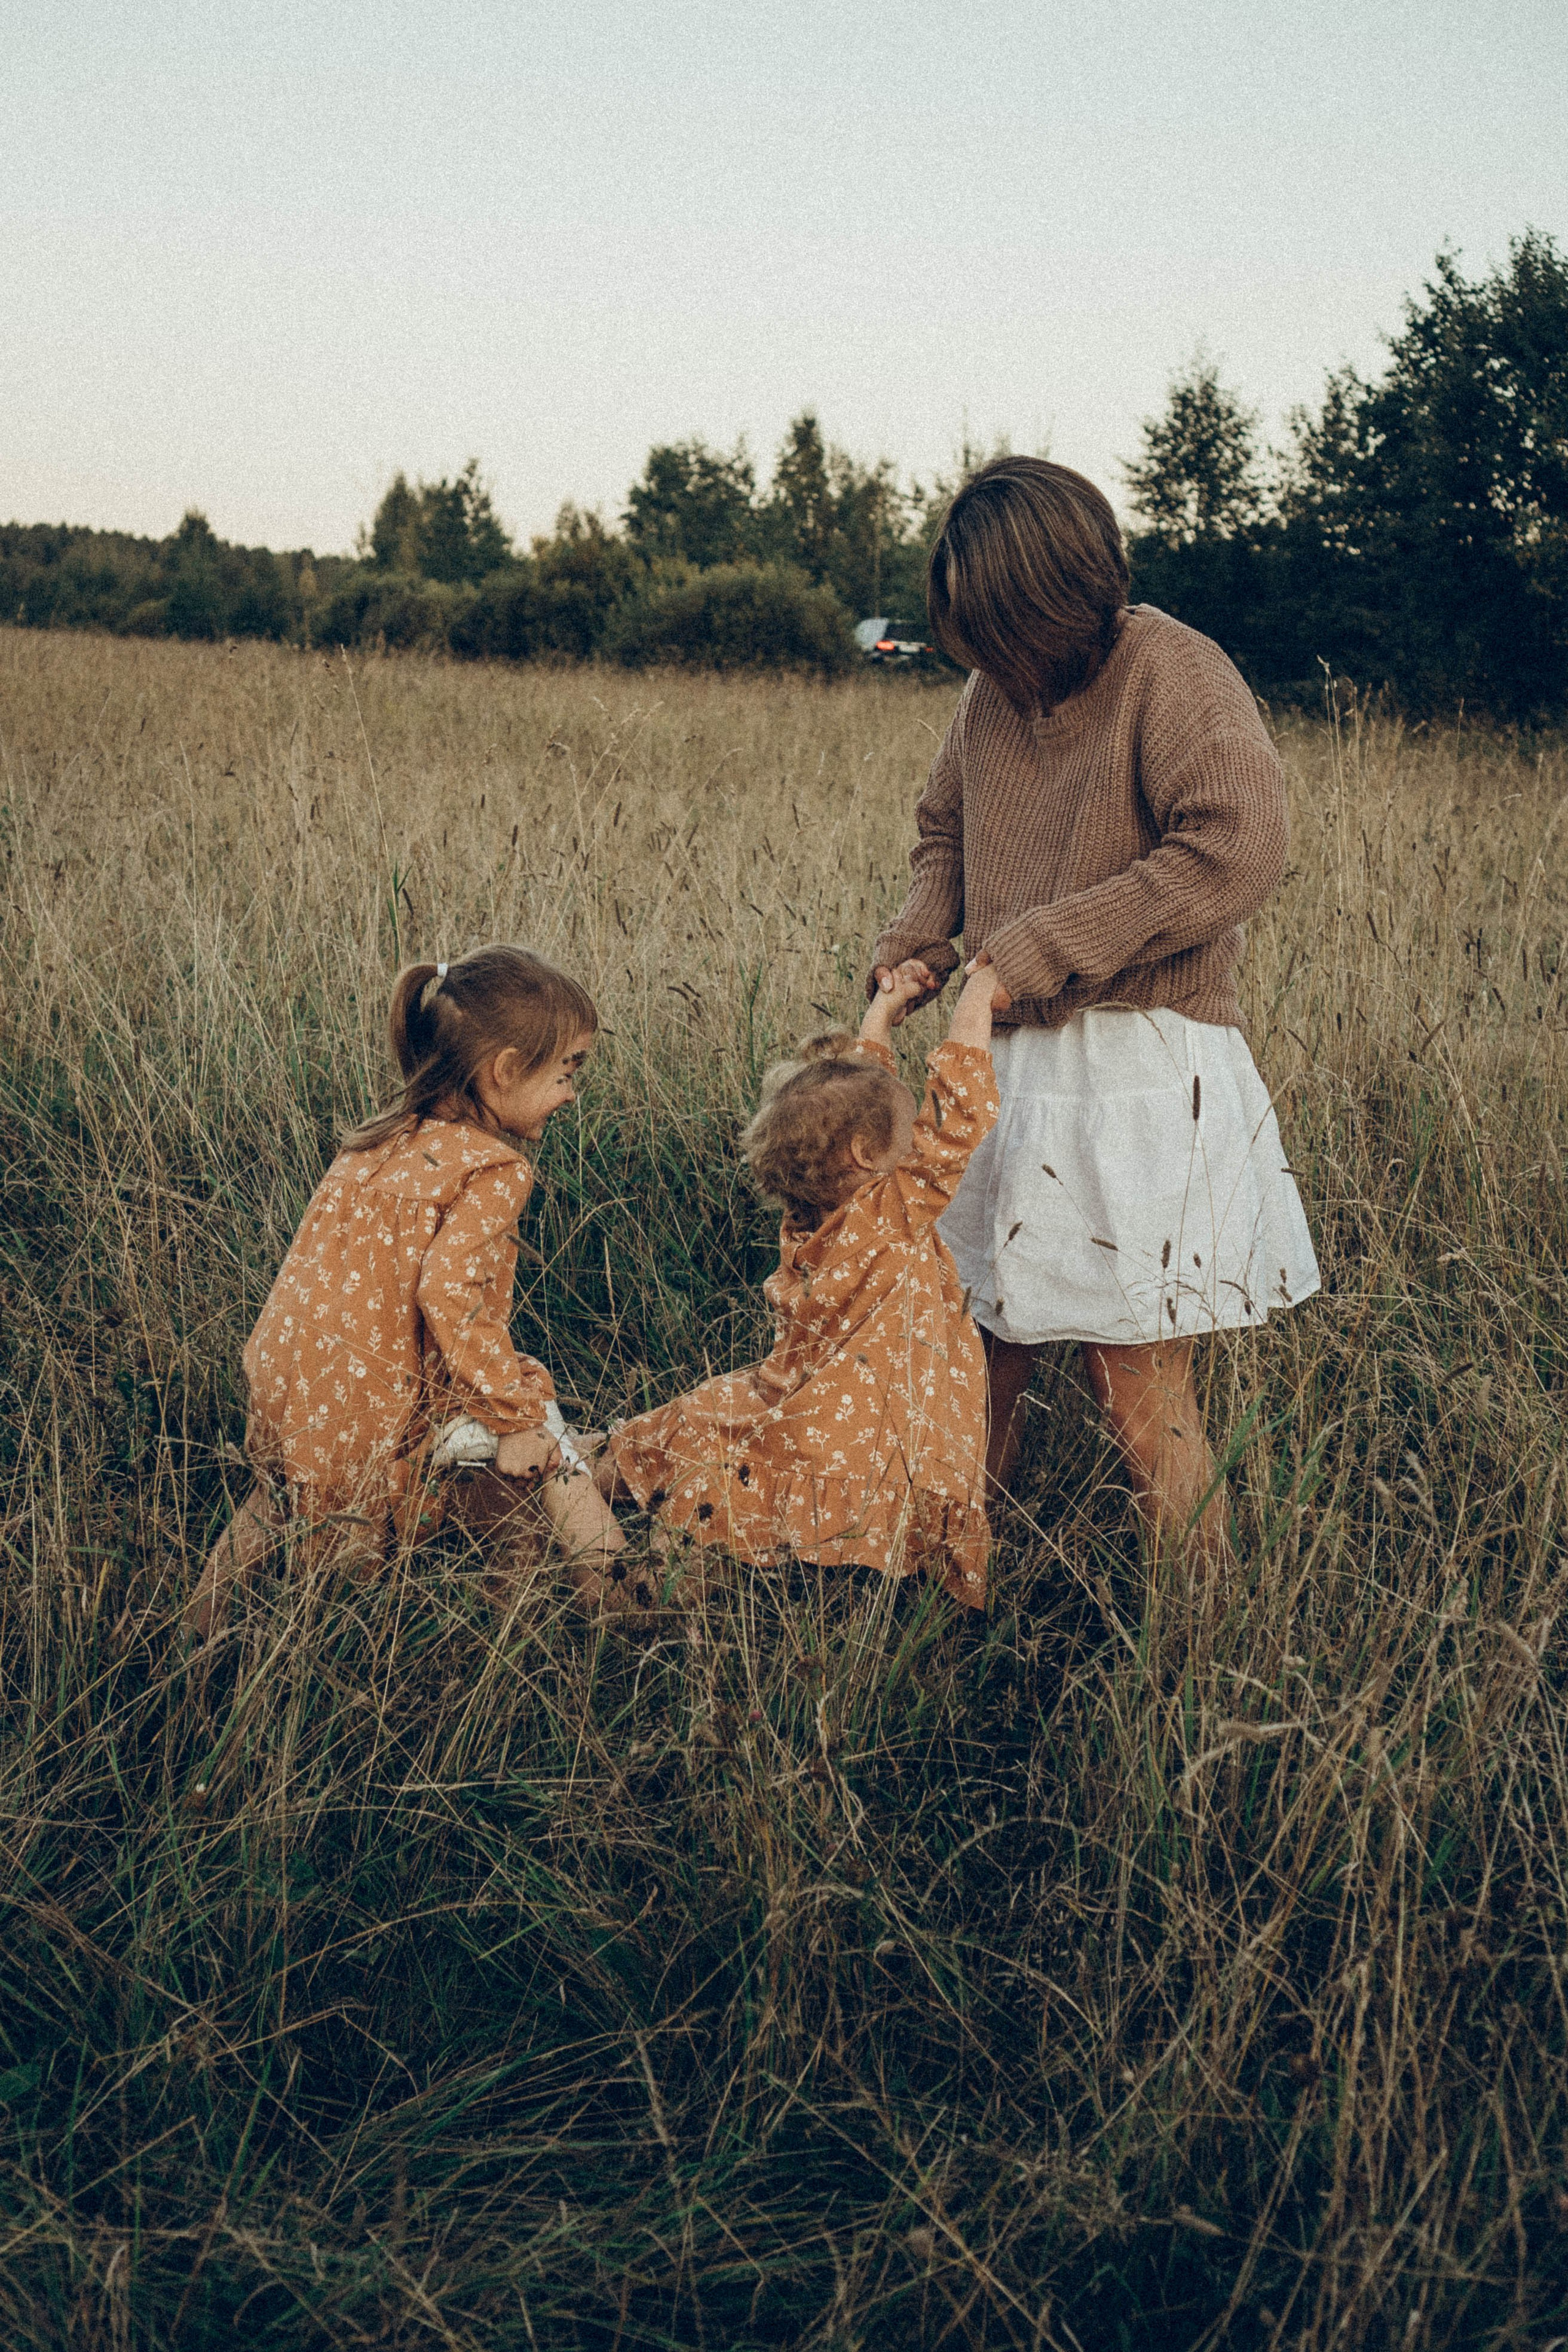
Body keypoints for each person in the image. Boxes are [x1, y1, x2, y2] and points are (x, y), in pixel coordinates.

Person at [869, 457, 1319, 1569]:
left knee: (1139, 1390)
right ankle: (947, 1597)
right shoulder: (993, 692)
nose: (989, 653)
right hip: (1008, 1068)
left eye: (1003, 621)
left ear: (1066, 592)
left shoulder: (1172, 669)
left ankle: (1200, 1644)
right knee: (979, 1352)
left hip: (1141, 1070)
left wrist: (1041, 946)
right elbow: (946, 834)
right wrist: (923, 940)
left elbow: (1238, 845)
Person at [186, 945, 635, 1638]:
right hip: (376, 1383)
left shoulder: (376, 1140)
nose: (573, 1092)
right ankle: (591, 1611)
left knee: (273, 1499)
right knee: (539, 1440)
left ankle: (193, 1634)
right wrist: (512, 1416)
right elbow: (452, 1294)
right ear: (506, 1069)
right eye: (567, 1072)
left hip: (293, 1372)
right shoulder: (493, 1168)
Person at [597, 959, 1005, 1606]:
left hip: (792, 1405)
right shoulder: (891, 1220)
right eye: (902, 1130)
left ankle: (564, 1488)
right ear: (869, 1155)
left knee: (704, 1489)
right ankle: (611, 1578)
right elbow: (955, 1116)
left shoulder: (810, 1221)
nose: (914, 1132)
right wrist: (975, 1000)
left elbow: (861, 1102)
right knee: (700, 1569)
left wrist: (883, 1013)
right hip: (852, 1443)